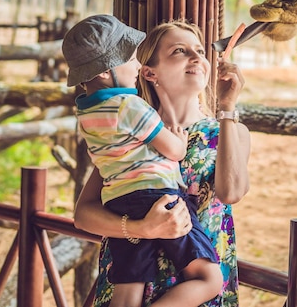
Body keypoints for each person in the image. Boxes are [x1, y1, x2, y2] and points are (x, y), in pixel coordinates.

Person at [73, 19, 251, 307]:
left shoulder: (230, 131)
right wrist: (142, 228)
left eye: (200, 51)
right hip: (131, 282)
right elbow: (84, 215)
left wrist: (228, 108)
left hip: (194, 293)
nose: (196, 57)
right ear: (149, 72)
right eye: (180, 51)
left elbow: (231, 192)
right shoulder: (127, 133)